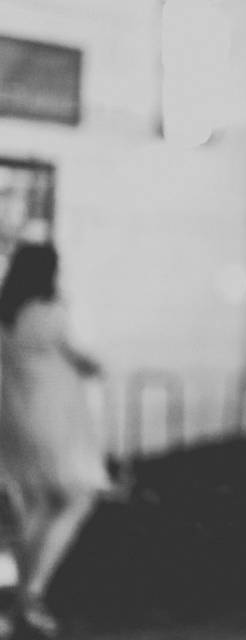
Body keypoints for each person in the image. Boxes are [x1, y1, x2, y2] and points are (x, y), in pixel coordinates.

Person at [0, 243, 108, 638]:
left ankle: (22, 603)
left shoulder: (5, 313)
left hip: (14, 420)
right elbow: (84, 359)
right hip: (53, 419)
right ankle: (32, 593)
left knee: (36, 505)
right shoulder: (52, 312)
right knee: (79, 497)